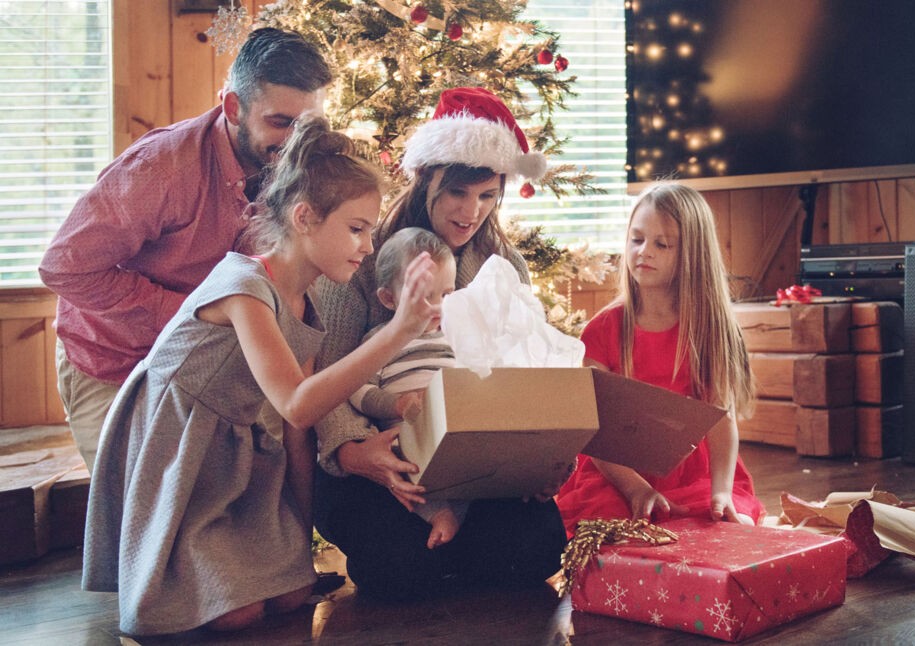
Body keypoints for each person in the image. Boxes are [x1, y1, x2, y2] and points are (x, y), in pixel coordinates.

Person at [81, 117, 440, 636]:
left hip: (240, 453)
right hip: (180, 445)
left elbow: (300, 426)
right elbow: (295, 401)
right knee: (238, 612)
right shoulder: (243, 287)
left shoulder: (309, 302)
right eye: (357, 229)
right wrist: (398, 332)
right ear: (304, 217)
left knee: (294, 594)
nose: (367, 248)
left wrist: (299, 538)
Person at [312, 87, 568, 600]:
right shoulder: (365, 255)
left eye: (487, 196)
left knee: (539, 550)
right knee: (395, 567)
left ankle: (460, 554)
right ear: (426, 177)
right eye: (457, 192)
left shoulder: (503, 266)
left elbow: (528, 367)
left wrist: (542, 460)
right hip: (383, 455)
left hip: (479, 464)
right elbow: (326, 377)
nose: (471, 211)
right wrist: (356, 453)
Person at [38, 28, 332, 471]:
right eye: (280, 122)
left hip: (205, 365)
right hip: (112, 364)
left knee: (206, 514)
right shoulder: (160, 168)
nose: (295, 142)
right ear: (233, 107)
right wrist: (186, 315)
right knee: (133, 515)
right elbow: (64, 268)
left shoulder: (294, 168)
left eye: (306, 125)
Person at [554, 182, 766, 536]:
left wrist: (721, 491)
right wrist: (636, 487)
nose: (644, 252)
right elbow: (590, 427)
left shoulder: (710, 328)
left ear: (692, 255)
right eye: (636, 240)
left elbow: (720, 421)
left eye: (661, 244)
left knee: (724, 521)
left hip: (689, 470)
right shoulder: (604, 329)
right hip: (616, 469)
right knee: (610, 522)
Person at [348, 227, 466, 549]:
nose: (438, 307)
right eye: (425, 296)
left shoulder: (454, 339)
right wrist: (395, 404)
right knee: (407, 473)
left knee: (474, 469)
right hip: (406, 441)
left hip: (454, 437)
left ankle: (457, 514)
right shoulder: (378, 342)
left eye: (446, 294)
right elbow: (357, 390)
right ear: (389, 298)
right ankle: (440, 515)